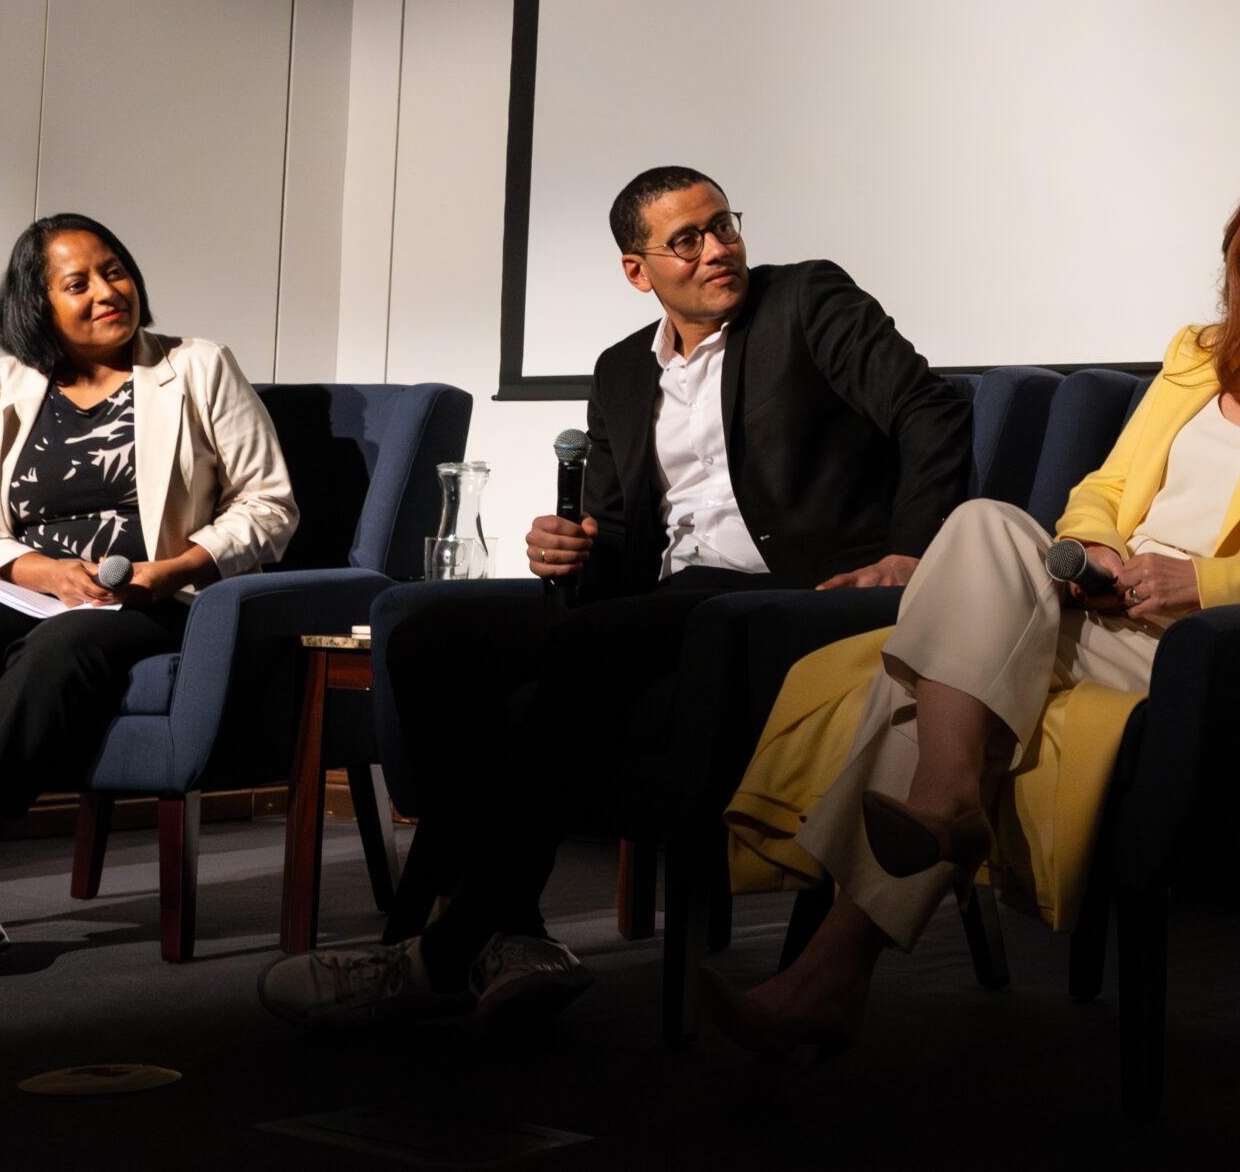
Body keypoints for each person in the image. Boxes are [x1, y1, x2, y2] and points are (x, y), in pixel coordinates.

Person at [702, 143, 1240, 1052]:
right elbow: (1104, 489)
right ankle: (941, 805)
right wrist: (1093, 549)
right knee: (989, 524)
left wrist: (1201, 585)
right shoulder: (1196, 359)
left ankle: (839, 963)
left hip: (1213, 643)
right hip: (1106, 602)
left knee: (924, 681)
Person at [259, 166, 973, 1029]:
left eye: (723, 226)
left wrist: (909, 553)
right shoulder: (621, 372)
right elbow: (622, 546)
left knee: (589, 647)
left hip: (792, 600)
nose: (719, 250)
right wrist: (569, 552)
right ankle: (512, 935)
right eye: (688, 240)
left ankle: (439, 951)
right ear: (639, 271)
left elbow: (930, 409)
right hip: (671, 599)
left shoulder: (807, 303)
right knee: (426, 632)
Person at [0, 213, 296, 975]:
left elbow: (269, 506)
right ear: (38, 305)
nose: (107, 292)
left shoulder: (198, 367)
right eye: (79, 283)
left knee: (60, 651)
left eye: (115, 271)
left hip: (148, 599)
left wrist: (167, 571)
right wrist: (41, 571)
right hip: (26, 584)